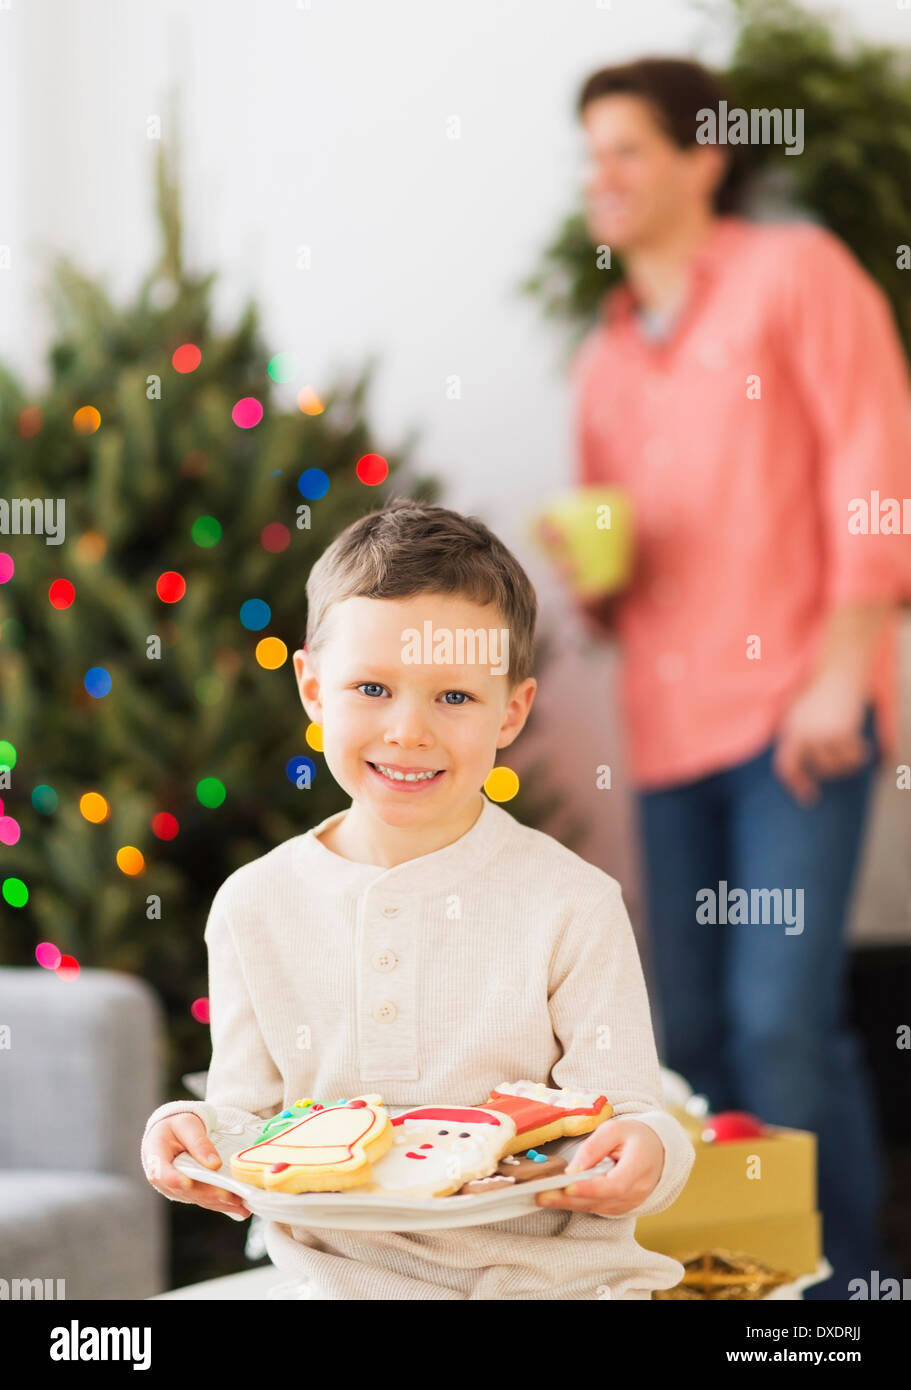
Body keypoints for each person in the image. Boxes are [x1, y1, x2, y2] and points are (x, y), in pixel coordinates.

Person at [140, 498, 695, 1300]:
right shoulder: (252, 905)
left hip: (556, 1284)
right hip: (335, 1283)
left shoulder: (572, 903)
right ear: (312, 689)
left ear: (512, 711)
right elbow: (244, 1121)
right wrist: (182, 1134)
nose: (407, 730)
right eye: (371, 687)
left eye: (455, 698)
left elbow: (633, 1113)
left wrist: (646, 1151)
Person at [570, 57, 911, 1299]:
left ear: (701, 158)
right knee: (696, 1039)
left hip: (793, 723)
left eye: (624, 151)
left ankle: (854, 1293)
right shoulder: (603, 355)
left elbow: (877, 474)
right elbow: (616, 585)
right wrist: (591, 567)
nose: (597, 178)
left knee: (780, 1021)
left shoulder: (794, 275)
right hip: (666, 732)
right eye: (588, 155)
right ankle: (741, 1288)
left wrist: (838, 675)